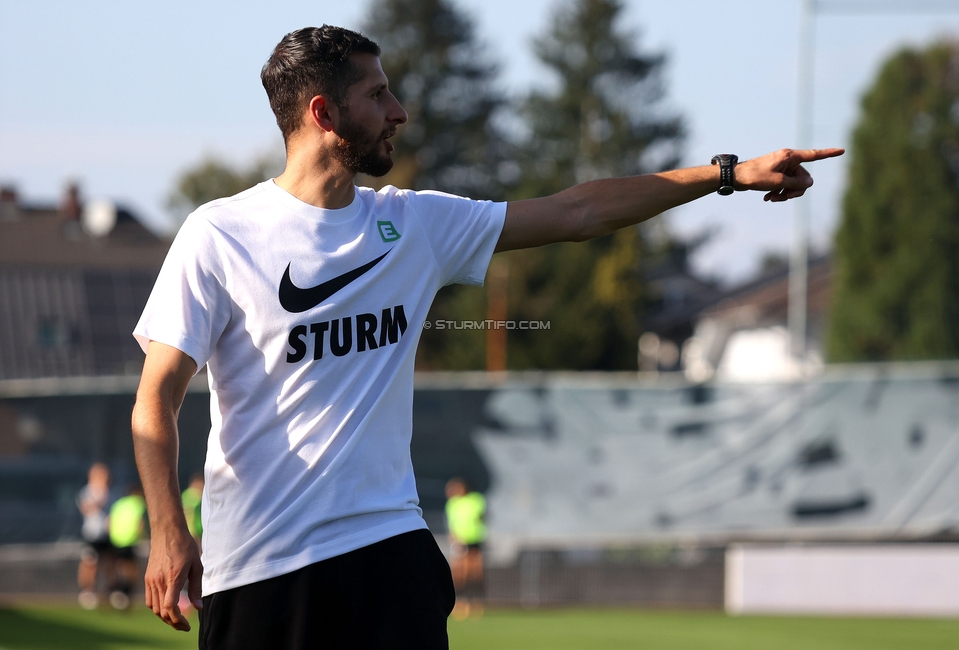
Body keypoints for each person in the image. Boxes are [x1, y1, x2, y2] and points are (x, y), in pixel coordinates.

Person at [130, 24, 842, 648]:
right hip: (262, 570)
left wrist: (727, 174)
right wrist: (168, 532)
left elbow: (577, 212)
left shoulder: (414, 224)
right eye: (377, 95)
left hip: (388, 551)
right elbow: (155, 401)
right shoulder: (219, 235)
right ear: (323, 112)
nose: (399, 111)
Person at [444, 478, 487, 619]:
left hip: (474, 539)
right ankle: (460, 602)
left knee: (475, 571)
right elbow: (452, 523)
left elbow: (481, 517)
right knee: (459, 572)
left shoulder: (476, 500)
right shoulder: (452, 504)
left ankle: (476, 601)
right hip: (459, 541)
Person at [76, 462, 115, 610]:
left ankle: (109, 591)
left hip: (108, 535)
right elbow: (87, 507)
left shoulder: (112, 492)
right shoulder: (87, 491)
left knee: (109, 563)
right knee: (89, 562)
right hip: (92, 535)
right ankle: (87, 591)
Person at [107, 484, 147, 610]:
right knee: (131, 571)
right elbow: (140, 523)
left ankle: (114, 592)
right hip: (129, 540)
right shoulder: (138, 503)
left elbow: (108, 521)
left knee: (117, 567)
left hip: (115, 539)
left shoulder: (119, 503)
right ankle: (126, 595)